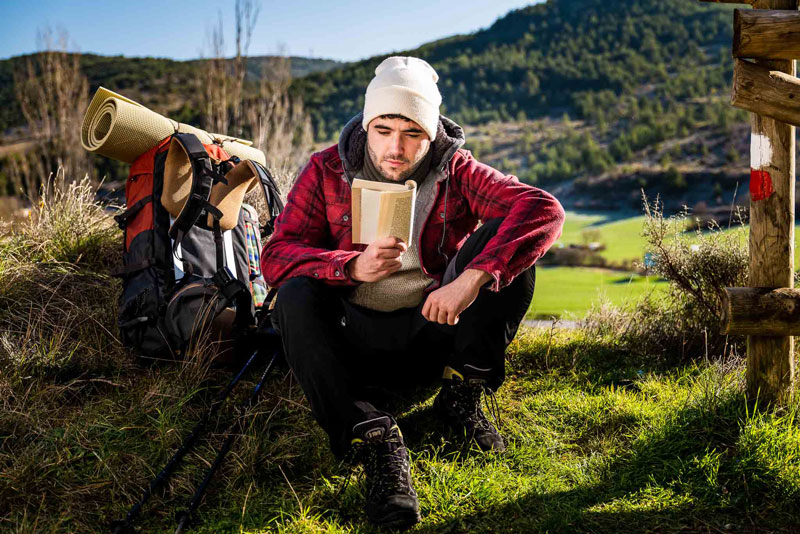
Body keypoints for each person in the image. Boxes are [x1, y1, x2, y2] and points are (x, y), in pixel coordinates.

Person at [261, 56, 565, 530]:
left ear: (432, 133)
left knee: (507, 253)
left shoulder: (455, 170)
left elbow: (543, 210)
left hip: (434, 328)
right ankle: (372, 436)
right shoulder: (325, 170)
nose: (396, 148)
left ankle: (462, 393)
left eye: (412, 133)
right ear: (367, 127)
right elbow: (277, 256)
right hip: (352, 339)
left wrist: (472, 278)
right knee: (295, 293)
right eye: (383, 130)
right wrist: (349, 267)